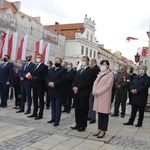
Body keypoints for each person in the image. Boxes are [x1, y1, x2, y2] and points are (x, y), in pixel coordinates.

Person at [92, 60, 114, 138]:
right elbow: (95, 83)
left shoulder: (110, 74)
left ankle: (103, 130)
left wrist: (97, 91)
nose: (102, 66)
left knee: (104, 113)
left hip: (104, 96)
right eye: (101, 64)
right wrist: (94, 90)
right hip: (98, 96)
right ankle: (99, 128)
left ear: (108, 66)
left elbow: (107, 86)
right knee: (100, 113)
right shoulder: (100, 73)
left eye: (104, 64)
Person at [71, 56, 92, 132]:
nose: (83, 61)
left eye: (84, 60)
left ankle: (83, 125)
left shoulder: (90, 71)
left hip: (84, 93)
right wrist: (74, 87)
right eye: (82, 60)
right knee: (77, 109)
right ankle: (78, 124)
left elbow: (87, 82)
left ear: (88, 61)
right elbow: (74, 80)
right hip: (76, 92)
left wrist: (78, 88)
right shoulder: (79, 70)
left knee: (83, 109)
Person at [46, 57, 67, 126]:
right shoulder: (51, 69)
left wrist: (55, 84)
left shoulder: (63, 70)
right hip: (51, 90)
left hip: (58, 90)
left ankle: (57, 120)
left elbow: (63, 79)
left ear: (60, 62)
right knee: (53, 106)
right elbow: (47, 77)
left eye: (58, 61)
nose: (56, 62)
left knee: (58, 106)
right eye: (55, 61)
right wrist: (49, 82)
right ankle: (53, 118)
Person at [28, 54, 48, 120]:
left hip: (40, 85)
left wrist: (37, 78)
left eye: (39, 57)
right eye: (36, 57)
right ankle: (34, 112)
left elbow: (45, 76)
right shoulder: (34, 66)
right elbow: (32, 74)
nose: (37, 58)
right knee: (35, 99)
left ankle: (40, 114)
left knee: (41, 100)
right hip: (34, 85)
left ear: (42, 58)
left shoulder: (44, 66)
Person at [87, 58, 100, 124]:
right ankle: (90, 115)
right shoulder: (94, 68)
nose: (90, 63)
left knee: (92, 102)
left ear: (94, 62)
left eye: (91, 61)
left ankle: (93, 117)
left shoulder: (95, 68)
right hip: (92, 87)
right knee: (90, 102)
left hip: (93, 87)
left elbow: (91, 78)